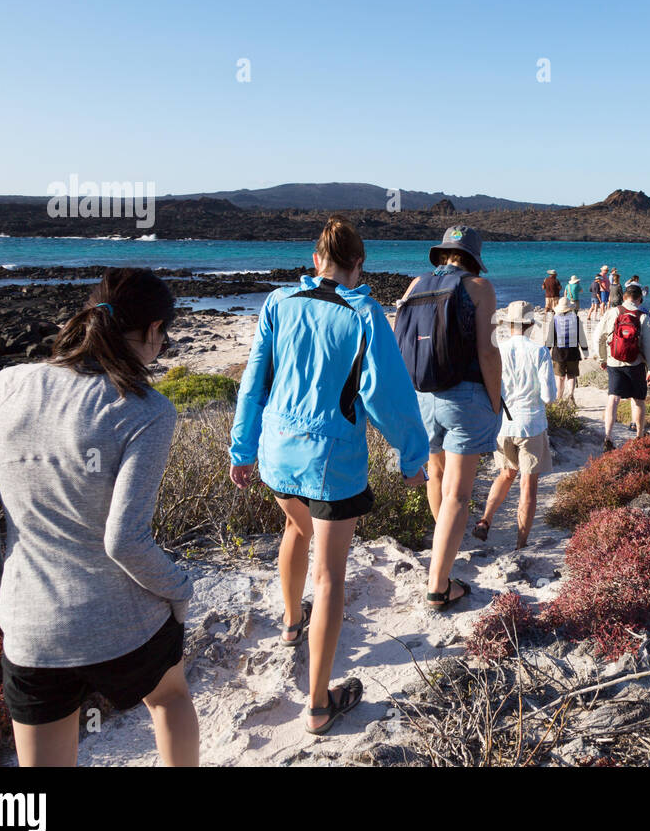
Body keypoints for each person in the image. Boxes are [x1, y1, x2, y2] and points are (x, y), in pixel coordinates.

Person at [0, 268, 198, 767]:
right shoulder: (146, 409)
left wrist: (0, 606)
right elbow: (124, 541)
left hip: (31, 629)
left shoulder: (2, 388)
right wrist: (180, 589)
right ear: (154, 331)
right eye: (165, 336)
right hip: (123, 624)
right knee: (169, 698)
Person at [229, 217, 429, 736]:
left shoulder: (277, 303)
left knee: (294, 531)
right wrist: (413, 459)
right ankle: (319, 706)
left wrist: (242, 447)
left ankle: (292, 624)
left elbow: (254, 381)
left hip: (275, 454)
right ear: (358, 265)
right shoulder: (363, 314)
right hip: (331, 464)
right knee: (332, 576)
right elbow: (388, 397)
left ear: (316, 259)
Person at [396, 226, 501, 613]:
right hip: (464, 396)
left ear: (442, 254)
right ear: (472, 257)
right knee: (458, 493)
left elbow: (400, 343)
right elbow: (488, 353)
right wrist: (494, 399)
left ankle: (443, 555)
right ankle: (438, 586)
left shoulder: (413, 287)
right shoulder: (480, 288)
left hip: (422, 395)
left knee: (436, 477)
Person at [471, 301, 556, 549]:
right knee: (528, 486)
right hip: (530, 425)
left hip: (502, 424)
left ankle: (485, 520)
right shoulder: (539, 352)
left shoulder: (498, 350)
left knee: (506, 473)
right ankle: (521, 544)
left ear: (508, 324)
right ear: (531, 324)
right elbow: (549, 396)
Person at [595, 282, 650, 451]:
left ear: (624, 297)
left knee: (613, 399)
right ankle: (639, 435)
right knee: (638, 400)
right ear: (640, 299)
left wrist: (602, 358)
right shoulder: (643, 316)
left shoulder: (611, 313)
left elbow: (599, 337)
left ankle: (608, 437)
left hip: (614, 362)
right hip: (635, 364)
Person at [544, 296, 589, 402]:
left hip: (558, 352)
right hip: (573, 352)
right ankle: (571, 395)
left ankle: (559, 398)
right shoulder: (576, 319)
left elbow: (550, 337)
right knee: (572, 376)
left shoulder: (554, 320)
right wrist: (585, 351)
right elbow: (581, 336)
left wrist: (546, 350)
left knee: (560, 377)